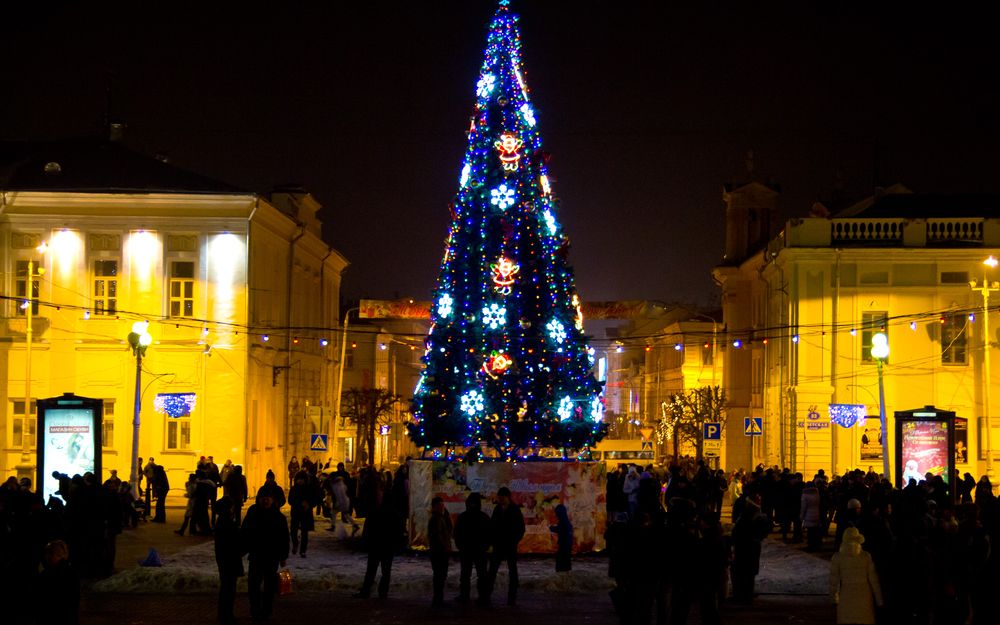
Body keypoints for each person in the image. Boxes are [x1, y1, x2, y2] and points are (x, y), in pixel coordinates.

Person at [241, 491, 290, 622]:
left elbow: (284, 537)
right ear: (259, 500)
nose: (265, 501)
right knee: (253, 585)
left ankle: (266, 610)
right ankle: (255, 610)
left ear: (272, 500)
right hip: (256, 555)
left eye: (268, 498)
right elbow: (245, 532)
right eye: (263, 498)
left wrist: (283, 555)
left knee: (269, 586)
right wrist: (243, 548)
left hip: (271, 556)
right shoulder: (253, 514)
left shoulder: (279, 517)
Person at [830, 527, 883, 624]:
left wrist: (834, 597)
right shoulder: (866, 556)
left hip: (846, 594)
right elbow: (874, 580)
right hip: (864, 595)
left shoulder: (837, 558)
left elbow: (834, 580)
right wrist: (879, 600)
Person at [355, 491, 402, 599]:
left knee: (371, 570)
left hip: (375, 546)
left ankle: (366, 591)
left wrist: (365, 543)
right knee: (386, 571)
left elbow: (368, 529)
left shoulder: (375, 511)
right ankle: (383, 593)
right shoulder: (395, 513)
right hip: (388, 547)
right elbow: (398, 531)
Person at [483, 486, 525, 606]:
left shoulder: (515, 510)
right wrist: (492, 541)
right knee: (492, 571)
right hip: (498, 545)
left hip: (510, 545)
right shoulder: (497, 509)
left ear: (507, 497)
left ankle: (512, 599)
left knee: (512, 572)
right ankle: (487, 597)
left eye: (502, 497)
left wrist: (514, 540)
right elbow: (492, 526)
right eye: (499, 497)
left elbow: (520, 528)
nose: (500, 499)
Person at [454, 492, 491, 604]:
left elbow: (457, 533)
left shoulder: (463, 517)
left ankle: (465, 596)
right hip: (478, 550)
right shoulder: (484, 517)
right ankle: (482, 597)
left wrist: (460, 546)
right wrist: (485, 546)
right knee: (481, 575)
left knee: (466, 575)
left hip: (468, 550)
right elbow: (489, 534)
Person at [214, 496, 243, 625]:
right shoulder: (226, 522)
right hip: (229, 559)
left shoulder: (223, 521)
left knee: (227, 587)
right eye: (231, 506)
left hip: (225, 558)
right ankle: (226, 615)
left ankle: (225, 614)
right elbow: (233, 541)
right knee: (228, 588)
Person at [36, 540, 79, 625]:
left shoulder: (47, 574)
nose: (46, 557)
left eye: (48, 554)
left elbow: (41, 601)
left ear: (54, 555)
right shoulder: (73, 572)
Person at [428, 496, 453, 607]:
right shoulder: (436, 519)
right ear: (435, 507)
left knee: (441, 575)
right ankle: (437, 599)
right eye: (440, 505)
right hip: (439, 552)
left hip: (440, 551)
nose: (442, 507)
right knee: (439, 575)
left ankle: (438, 599)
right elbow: (438, 536)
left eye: (443, 505)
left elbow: (449, 529)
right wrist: (445, 546)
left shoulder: (441, 517)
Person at [288, 470, 318, 557]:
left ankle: (303, 550)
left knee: (304, 532)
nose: (300, 481)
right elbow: (290, 500)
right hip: (295, 512)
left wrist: (309, 504)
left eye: (302, 479)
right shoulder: (294, 489)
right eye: (298, 479)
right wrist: (299, 503)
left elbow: (314, 500)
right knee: (293, 531)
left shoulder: (309, 489)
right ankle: (295, 544)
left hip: (306, 513)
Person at [549, 503, 573, 572]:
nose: (556, 515)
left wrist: (551, 528)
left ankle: (562, 579)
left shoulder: (563, 522)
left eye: (557, 513)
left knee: (561, 564)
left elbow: (560, 529)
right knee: (566, 564)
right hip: (567, 546)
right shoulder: (567, 522)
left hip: (564, 546)